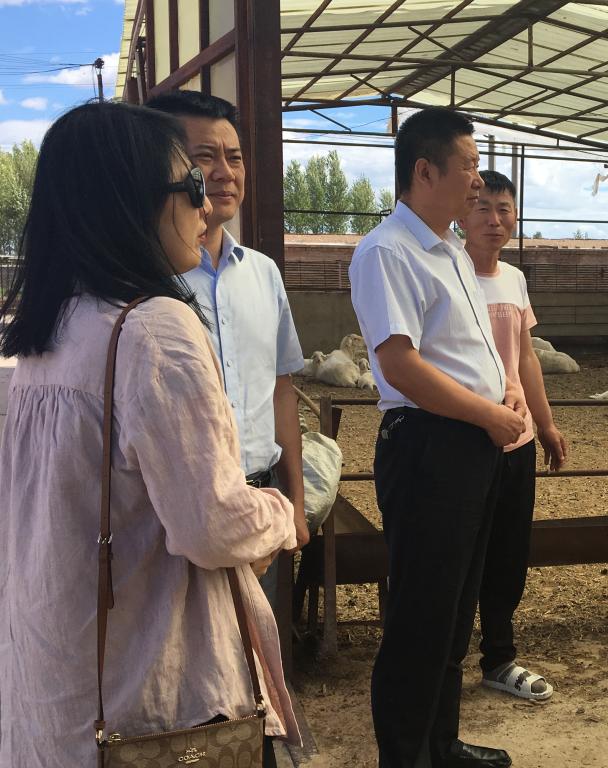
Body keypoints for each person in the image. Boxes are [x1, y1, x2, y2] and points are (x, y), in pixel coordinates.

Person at [0, 101, 299, 767]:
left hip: (59, 681)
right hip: (148, 695)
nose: (206, 203)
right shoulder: (153, 328)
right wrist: (280, 514)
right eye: (190, 183)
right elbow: (211, 525)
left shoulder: (54, 328)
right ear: (131, 200)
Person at [350, 108, 525, 768]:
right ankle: (405, 755)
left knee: (454, 609)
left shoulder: (449, 249)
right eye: (470, 166)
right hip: (429, 445)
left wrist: (504, 390)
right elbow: (400, 365)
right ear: (425, 171)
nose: (478, 180)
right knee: (420, 615)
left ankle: (440, 743)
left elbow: (465, 351)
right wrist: (487, 414)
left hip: (469, 443)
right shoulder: (388, 251)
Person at [145, 91, 310, 603]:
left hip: (263, 502)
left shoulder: (263, 273)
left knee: (261, 646)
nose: (225, 173)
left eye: (234, 157)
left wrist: (296, 501)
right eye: (204, 157)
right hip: (179, 518)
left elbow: (280, 389)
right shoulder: (146, 284)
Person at [457, 170, 566, 701]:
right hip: (463, 439)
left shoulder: (514, 280)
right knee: (461, 554)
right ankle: (444, 663)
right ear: (463, 212)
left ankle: (499, 658)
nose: (495, 220)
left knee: (507, 553)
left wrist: (545, 424)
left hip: (516, 439)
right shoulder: (449, 274)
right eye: (483, 208)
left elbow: (525, 359)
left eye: (504, 209)